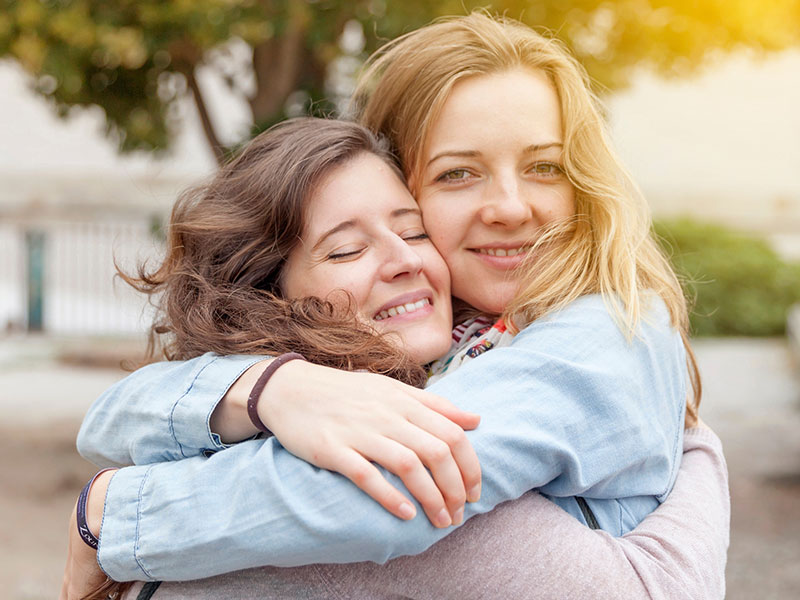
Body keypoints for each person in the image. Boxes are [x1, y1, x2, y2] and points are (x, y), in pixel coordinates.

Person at [66, 11, 726, 599]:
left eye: (544, 167)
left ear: (584, 181)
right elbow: (111, 418)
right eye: (458, 173)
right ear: (401, 179)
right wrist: (272, 387)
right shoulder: (461, 333)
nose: (510, 207)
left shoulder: (601, 332)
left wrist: (111, 514)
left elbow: (394, 488)